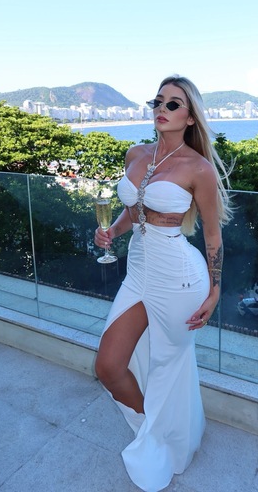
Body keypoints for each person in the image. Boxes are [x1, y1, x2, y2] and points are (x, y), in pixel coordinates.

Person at [94, 75, 231, 492]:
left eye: (173, 104)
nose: (162, 109)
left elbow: (212, 236)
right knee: (108, 365)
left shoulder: (198, 168)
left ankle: (171, 440)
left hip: (179, 277)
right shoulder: (136, 153)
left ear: (189, 117)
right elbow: (134, 211)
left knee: (170, 367)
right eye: (158, 101)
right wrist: (111, 232)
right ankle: (152, 433)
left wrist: (215, 290)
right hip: (138, 271)